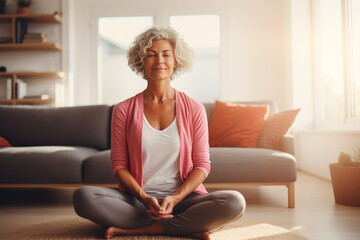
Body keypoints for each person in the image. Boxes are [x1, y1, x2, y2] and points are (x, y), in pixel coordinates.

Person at [73, 27, 246, 240]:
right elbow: (119, 165)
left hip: (184, 200)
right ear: (141, 62)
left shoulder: (194, 108)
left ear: (176, 61)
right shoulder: (123, 109)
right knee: (83, 197)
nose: (159, 61)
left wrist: (174, 198)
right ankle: (185, 226)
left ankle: (144, 228)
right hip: (138, 201)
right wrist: (145, 198)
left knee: (234, 201)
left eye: (166, 54)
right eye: (151, 54)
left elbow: (202, 165)